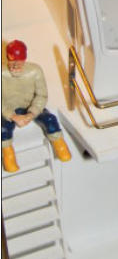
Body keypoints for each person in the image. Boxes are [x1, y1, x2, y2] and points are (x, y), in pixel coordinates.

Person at [2, 39, 71, 172]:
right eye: (12, 61)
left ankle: (60, 146)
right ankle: (8, 156)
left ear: (24, 59)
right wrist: (12, 116)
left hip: (30, 106)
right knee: (3, 130)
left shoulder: (35, 71)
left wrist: (31, 113)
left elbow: (41, 95)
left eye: (19, 62)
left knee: (50, 119)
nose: (15, 66)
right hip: (8, 109)